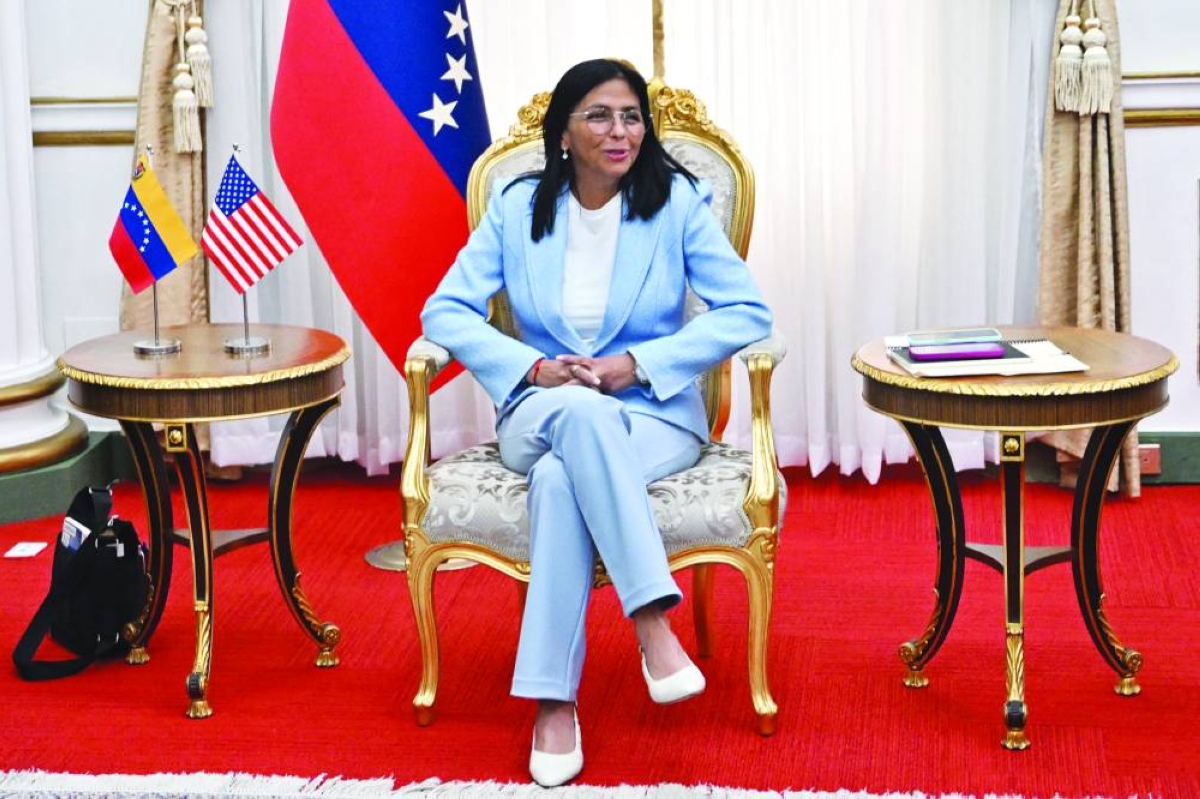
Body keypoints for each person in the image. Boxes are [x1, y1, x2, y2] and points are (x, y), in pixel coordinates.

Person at [420, 58, 772, 787]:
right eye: (600, 116)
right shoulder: (517, 208)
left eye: (632, 116)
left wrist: (637, 362)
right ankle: (652, 622)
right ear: (565, 132)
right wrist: (531, 369)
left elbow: (747, 312)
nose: (621, 131)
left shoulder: (676, 203)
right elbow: (444, 310)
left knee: (557, 480)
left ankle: (553, 702)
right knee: (573, 419)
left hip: (651, 416)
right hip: (542, 408)